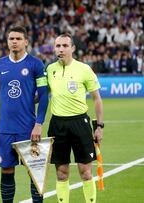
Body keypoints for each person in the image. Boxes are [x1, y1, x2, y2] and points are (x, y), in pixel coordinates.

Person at [0, 26, 49, 203]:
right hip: (5, 129)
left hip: (28, 129)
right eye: (11, 38)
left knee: (34, 171)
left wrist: (39, 123)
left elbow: (43, 96)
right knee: (6, 170)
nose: (14, 41)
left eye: (18, 38)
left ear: (26, 42)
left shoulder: (36, 64)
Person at [46, 33, 104, 203]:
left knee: (85, 172)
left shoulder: (84, 69)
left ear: (73, 48)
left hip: (80, 123)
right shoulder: (50, 69)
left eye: (65, 46)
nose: (61, 49)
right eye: (58, 46)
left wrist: (99, 126)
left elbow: (97, 99)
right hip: (57, 125)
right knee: (61, 173)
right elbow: (40, 96)